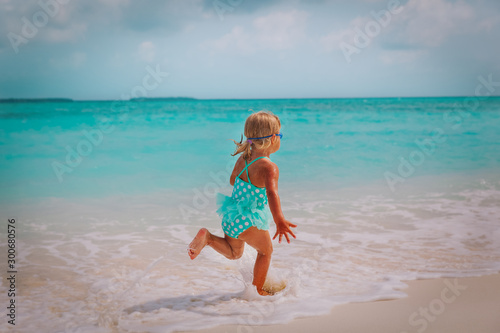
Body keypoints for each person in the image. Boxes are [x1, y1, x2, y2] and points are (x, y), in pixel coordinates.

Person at [188, 110, 297, 296]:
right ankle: (258, 290)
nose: (280, 138)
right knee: (265, 252)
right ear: (272, 138)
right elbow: (272, 193)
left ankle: (209, 238)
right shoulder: (269, 167)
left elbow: (232, 180)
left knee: (234, 253)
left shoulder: (244, 158)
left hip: (231, 215)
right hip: (249, 218)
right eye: (280, 135)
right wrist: (279, 220)